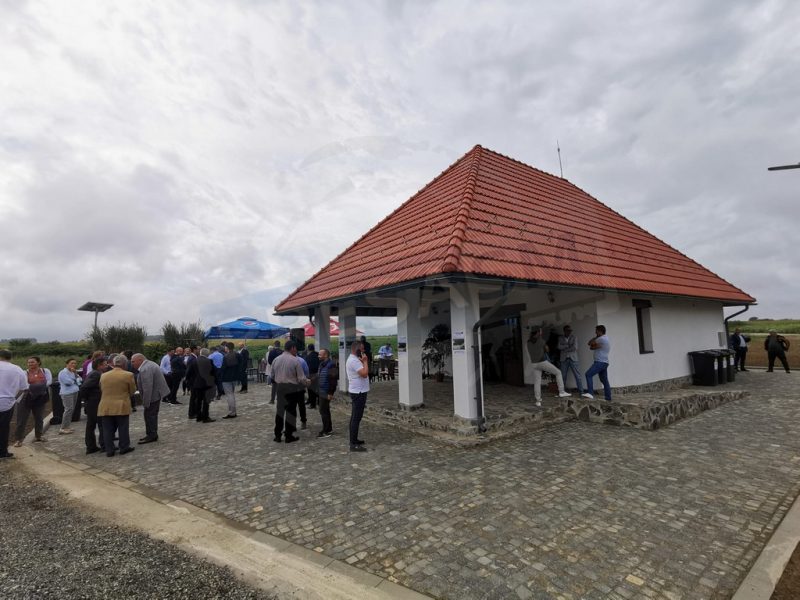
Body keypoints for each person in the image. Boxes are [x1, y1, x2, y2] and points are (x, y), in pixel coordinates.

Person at [98, 354, 137, 457]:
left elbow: (101, 389)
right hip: (121, 405)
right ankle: (124, 447)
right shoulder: (128, 375)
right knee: (123, 427)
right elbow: (132, 391)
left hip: (105, 405)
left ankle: (109, 450)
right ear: (124, 364)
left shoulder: (103, 375)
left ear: (114, 363)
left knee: (107, 429)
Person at [271, 340, 309, 443]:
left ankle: (277, 435)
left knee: (280, 412)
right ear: (292, 348)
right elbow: (301, 378)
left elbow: (272, 376)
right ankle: (288, 436)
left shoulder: (276, 360)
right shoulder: (295, 360)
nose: (296, 350)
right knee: (290, 412)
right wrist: (307, 382)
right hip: (292, 388)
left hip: (280, 388)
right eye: (295, 348)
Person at [131, 353, 170, 444]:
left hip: (153, 396)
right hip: (155, 394)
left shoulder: (146, 368)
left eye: (133, 361)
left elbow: (147, 387)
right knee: (150, 415)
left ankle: (152, 435)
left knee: (150, 416)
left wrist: (146, 402)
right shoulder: (149, 364)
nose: (132, 363)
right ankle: (151, 434)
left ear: (140, 360)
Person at [13, 356, 52, 447]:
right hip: (27, 397)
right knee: (22, 419)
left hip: (40, 397)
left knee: (39, 418)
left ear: (38, 362)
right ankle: (18, 439)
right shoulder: (24, 372)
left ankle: (39, 436)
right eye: (29, 362)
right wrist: (40, 385)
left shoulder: (45, 371)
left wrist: (35, 385)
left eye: (32, 362)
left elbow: (49, 381)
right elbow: (25, 384)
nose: (30, 364)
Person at [526, 328, 571, 407]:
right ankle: (561, 391)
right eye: (540, 331)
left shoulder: (528, 342)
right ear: (537, 333)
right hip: (542, 362)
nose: (541, 332)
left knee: (537, 382)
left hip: (534, 364)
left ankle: (538, 401)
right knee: (558, 372)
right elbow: (547, 349)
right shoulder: (540, 341)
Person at [0, 349, 28, 459]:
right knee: (4, 427)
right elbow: (24, 387)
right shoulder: (17, 369)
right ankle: (2, 452)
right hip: (7, 402)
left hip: (7, 401)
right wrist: (14, 399)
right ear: (11, 357)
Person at [346, 340, 370, 452]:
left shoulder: (355, 359)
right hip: (358, 392)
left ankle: (354, 440)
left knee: (356, 417)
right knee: (356, 418)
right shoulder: (354, 361)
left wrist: (362, 361)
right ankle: (353, 444)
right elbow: (364, 374)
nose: (364, 351)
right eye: (362, 349)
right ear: (357, 350)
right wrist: (365, 361)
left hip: (359, 391)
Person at [80, 356, 107, 454]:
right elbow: (84, 388)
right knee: (101, 424)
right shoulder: (96, 374)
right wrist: (89, 398)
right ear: (99, 366)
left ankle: (91, 446)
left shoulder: (94, 373)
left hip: (92, 402)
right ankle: (103, 445)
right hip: (94, 403)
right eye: (105, 364)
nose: (106, 366)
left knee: (91, 425)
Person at [583, 325, 612, 401]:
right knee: (604, 380)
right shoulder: (606, 338)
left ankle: (590, 393)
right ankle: (608, 398)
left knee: (588, 374)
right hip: (604, 362)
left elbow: (589, 343)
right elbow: (592, 347)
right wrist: (594, 346)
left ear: (600, 331)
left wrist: (595, 338)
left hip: (600, 362)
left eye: (596, 331)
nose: (595, 332)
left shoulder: (601, 338)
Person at [189, 348, 216, 423]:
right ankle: (205, 417)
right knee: (206, 401)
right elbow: (213, 372)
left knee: (198, 400)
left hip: (197, 384)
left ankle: (199, 416)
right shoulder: (209, 361)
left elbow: (189, 373)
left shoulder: (194, 361)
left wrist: (191, 382)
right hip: (207, 383)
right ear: (207, 354)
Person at [316, 349, 338, 438]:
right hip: (321, 391)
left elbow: (333, 380)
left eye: (320, 354)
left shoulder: (331, 365)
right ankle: (328, 428)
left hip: (326, 391)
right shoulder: (322, 365)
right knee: (325, 410)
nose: (318, 356)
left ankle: (326, 430)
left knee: (323, 410)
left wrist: (330, 393)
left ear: (325, 355)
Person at [57, 358, 82, 434]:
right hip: (67, 393)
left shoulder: (73, 372)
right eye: (72, 363)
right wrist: (75, 380)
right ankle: (63, 428)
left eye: (75, 363)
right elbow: (68, 382)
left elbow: (80, 380)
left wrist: (75, 375)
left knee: (71, 409)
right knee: (68, 409)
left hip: (75, 391)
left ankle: (67, 426)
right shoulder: (63, 372)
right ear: (67, 364)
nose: (73, 365)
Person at [557, 326, 584, 395]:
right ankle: (562, 391)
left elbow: (575, 347)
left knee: (577, 375)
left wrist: (565, 348)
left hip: (573, 358)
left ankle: (581, 391)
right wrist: (567, 346)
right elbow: (559, 347)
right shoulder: (560, 338)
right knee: (563, 376)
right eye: (568, 330)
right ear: (564, 331)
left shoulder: (574, 337)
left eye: (570, 330)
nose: (569, 332)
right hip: (564, 359)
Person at [220, 342, 240, 418]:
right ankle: (233, 412)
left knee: (229, 395)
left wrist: (220, 377)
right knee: (231, 394)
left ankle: (232, 412)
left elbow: (223, 368)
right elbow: (240, 366)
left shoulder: (226, 356)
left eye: (225, 347)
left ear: (227, 348)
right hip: (234, 377)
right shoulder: (237, 355)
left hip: (226, 378)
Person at [304, 344, 320, 409]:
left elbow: (306, 367)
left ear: (308, 349)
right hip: (318, 374)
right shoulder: (318, 354)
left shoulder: (308, 357)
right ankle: (318, 402)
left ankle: (312, 404)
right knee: (317, 389)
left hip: (310, 375)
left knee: (311, 390)